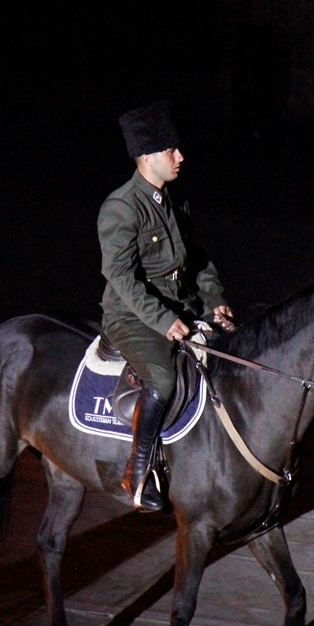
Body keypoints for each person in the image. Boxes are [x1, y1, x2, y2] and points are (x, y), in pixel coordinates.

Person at [98, 101, 235, 511]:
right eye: (171, 150)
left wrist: (216, 303)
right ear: (147, 156)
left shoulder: (175, 200)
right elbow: (121, 277)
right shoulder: (122, 208)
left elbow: (199, 259)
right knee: (163, 379)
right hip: (132, 316)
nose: (181, 156)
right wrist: (163, 320)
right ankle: (137, 472)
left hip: (181, 306)